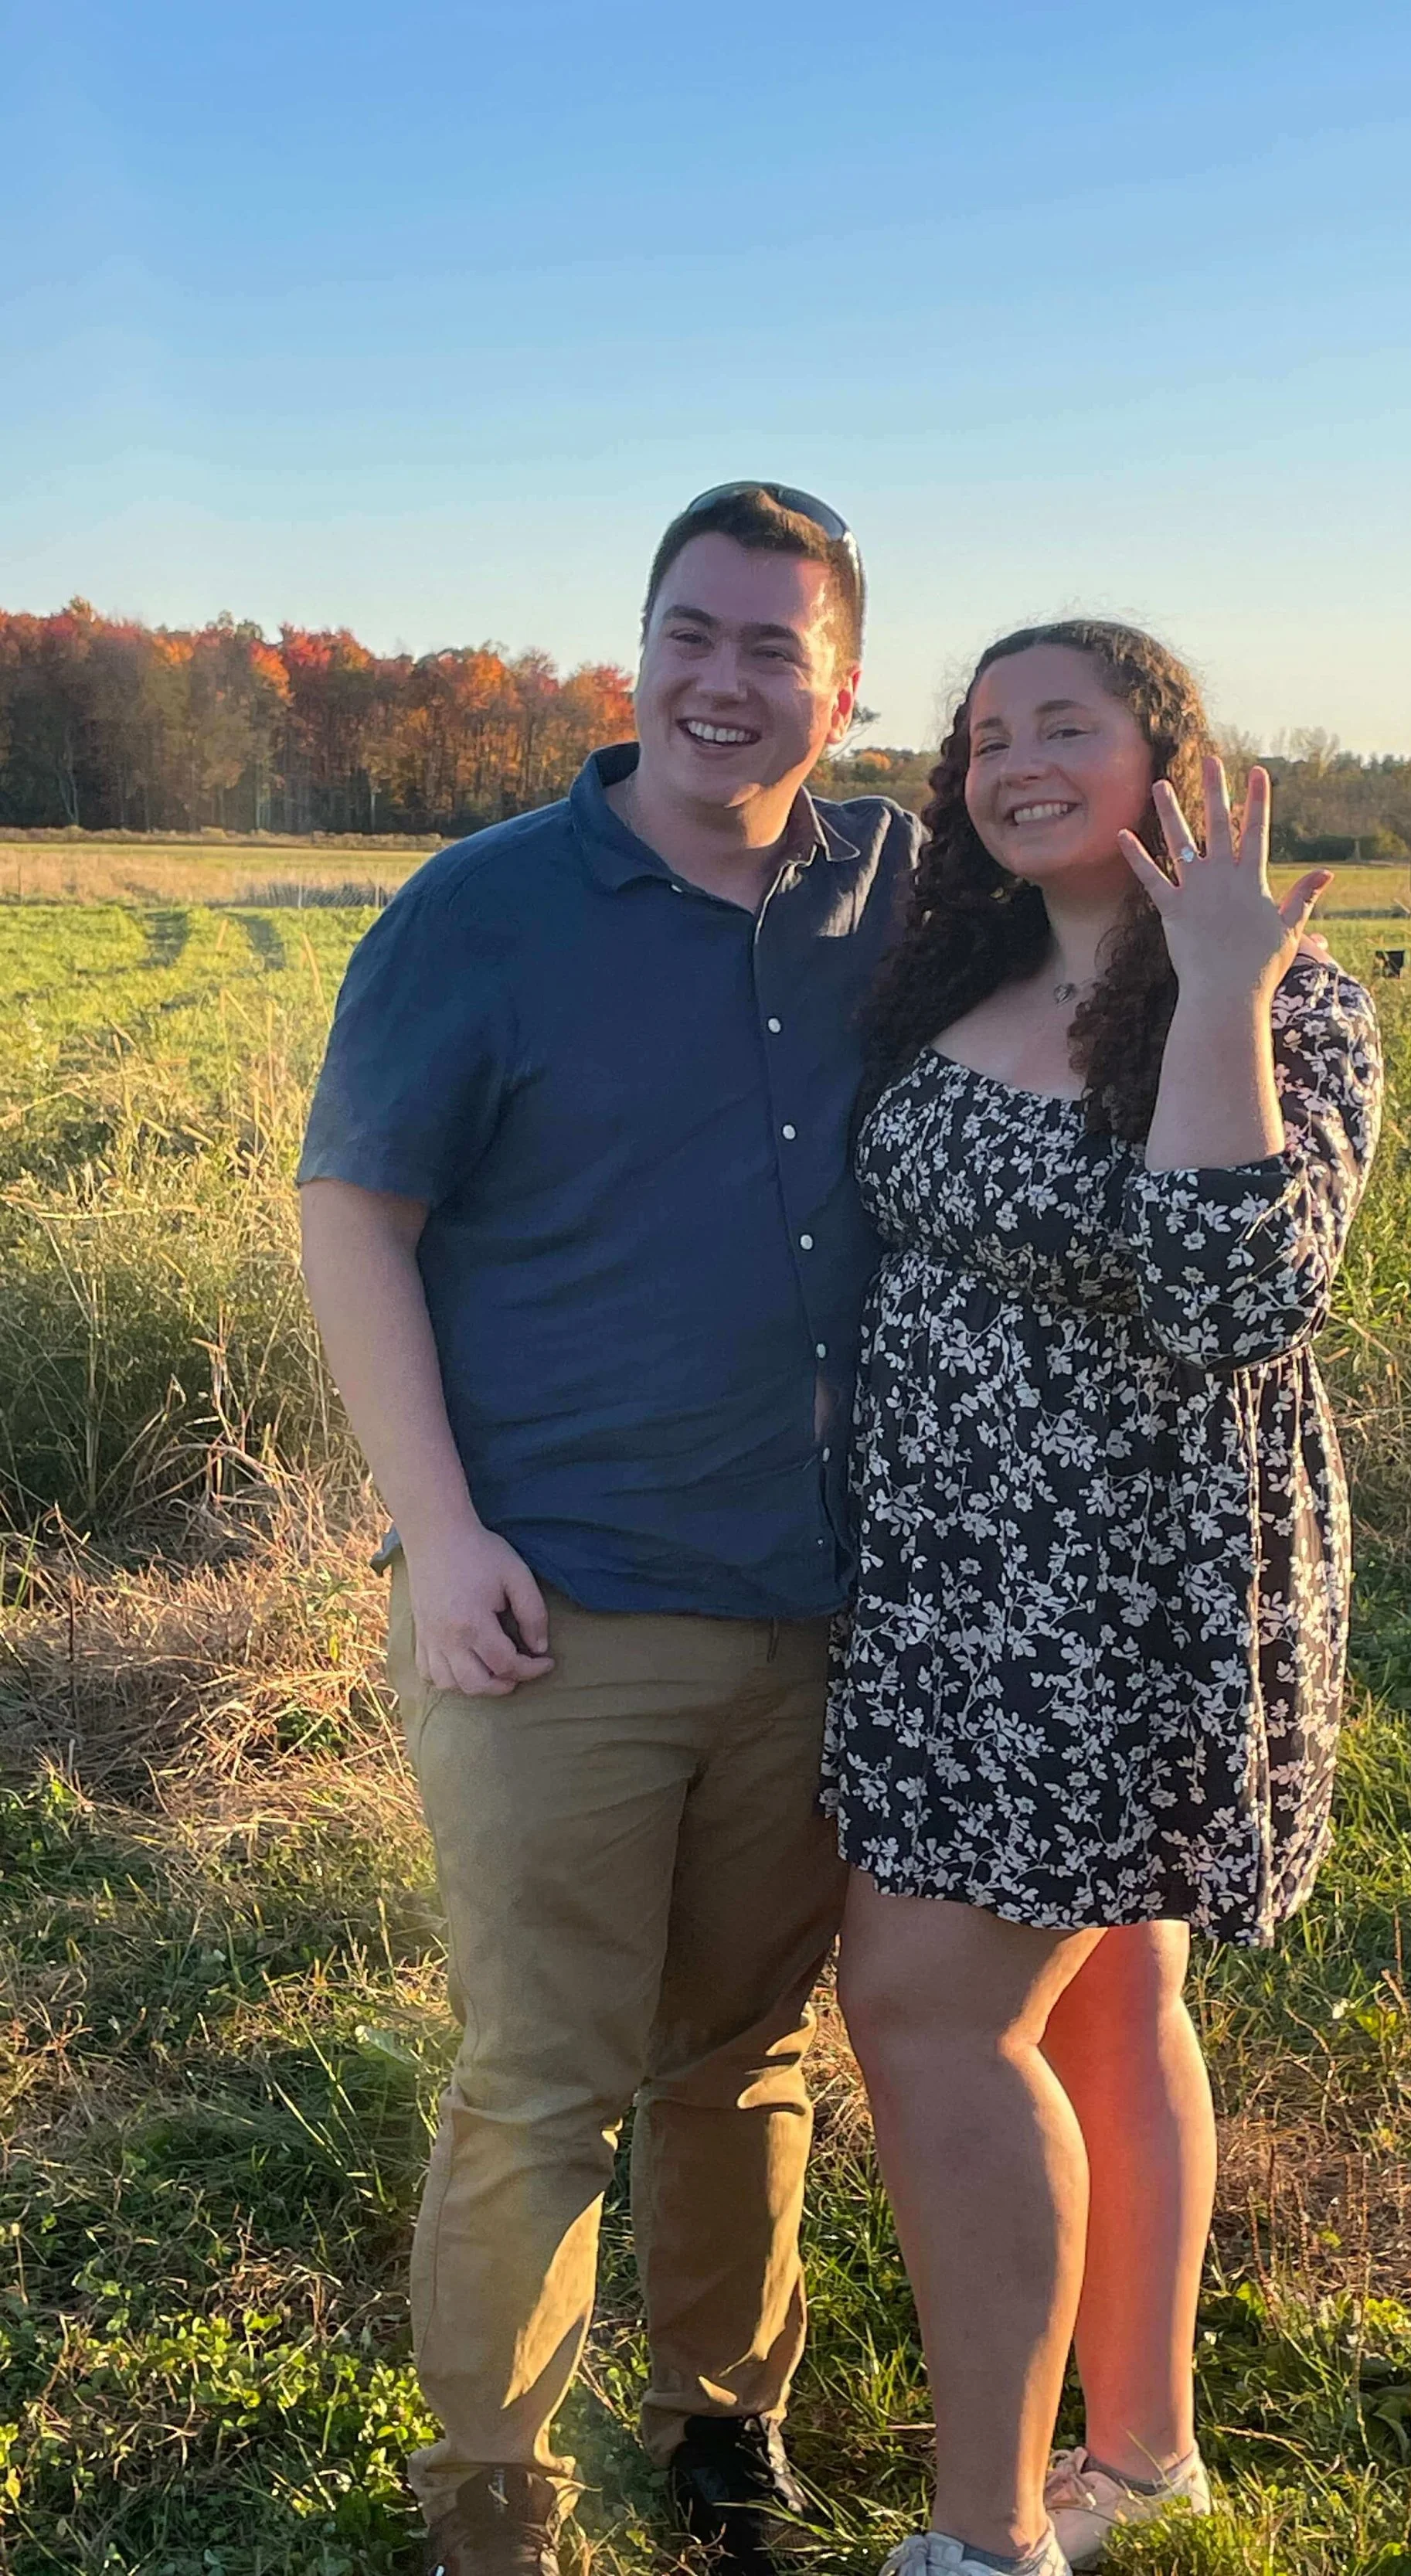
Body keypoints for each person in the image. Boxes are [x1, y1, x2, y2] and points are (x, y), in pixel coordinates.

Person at [298, 482, 913, 2576]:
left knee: (743, 2049)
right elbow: (353, 1218)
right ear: (633, 646)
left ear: (844, 687)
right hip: (552, 1600)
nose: (722, 679)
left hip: (823, 1607)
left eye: (772, 647)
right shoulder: (480, 911)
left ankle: (719, 2425)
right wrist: (437, 1530)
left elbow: (1118, 930)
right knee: (546, 2063)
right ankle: (493, 2486)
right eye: (692, 630)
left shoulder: (908, 898)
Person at [825, 621, 1383, 2576]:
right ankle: (1141, 2454)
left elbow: (1234, 1299)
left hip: (1118, 1590)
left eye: (1067, 722)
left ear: (1168, 754)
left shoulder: (1282, 1004)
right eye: (987, 734)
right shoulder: (955, 975)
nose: (1017, 757)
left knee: (918, 2007)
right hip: (946, 1579)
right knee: (1109, 1983)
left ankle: (984, 2537)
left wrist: (1220, 983)